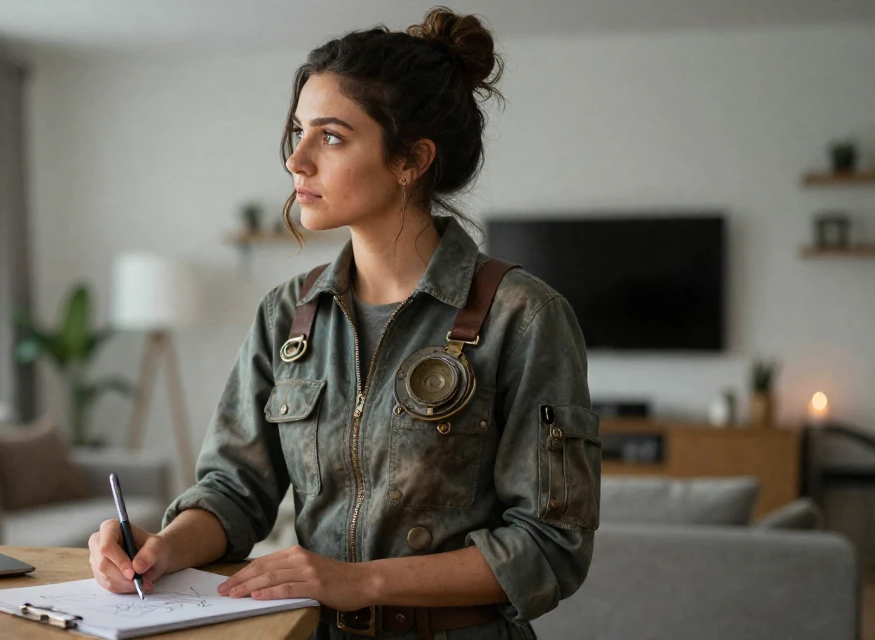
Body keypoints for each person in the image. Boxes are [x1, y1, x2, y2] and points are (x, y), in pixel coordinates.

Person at [89, 7, 600, 639]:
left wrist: (359, 580)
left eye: (330, 136)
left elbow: (551, 546)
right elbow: (234, 490)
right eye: (299, 132)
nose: (296, 160)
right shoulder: (286, 313)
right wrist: (162, 547)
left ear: (411, 159)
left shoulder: (524, 316)